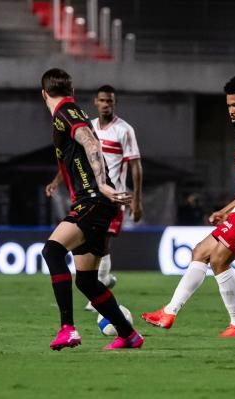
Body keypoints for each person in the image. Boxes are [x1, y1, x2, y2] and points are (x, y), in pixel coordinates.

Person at [141, 75, 235, 337]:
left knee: (218, 258)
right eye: (229, 106)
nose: (231, 111)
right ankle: (170, 312)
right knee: (200, 252)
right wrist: (227, 209)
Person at [40, 68, 143, 350]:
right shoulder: (70, 112)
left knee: (52, 250)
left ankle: (68, 329)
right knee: (86, 280)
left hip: (93, 200)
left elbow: (89, 140)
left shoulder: (66, 112)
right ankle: (129, 335)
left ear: (43, 94)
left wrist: (101, 183)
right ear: (71, 91)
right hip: (97, 202)